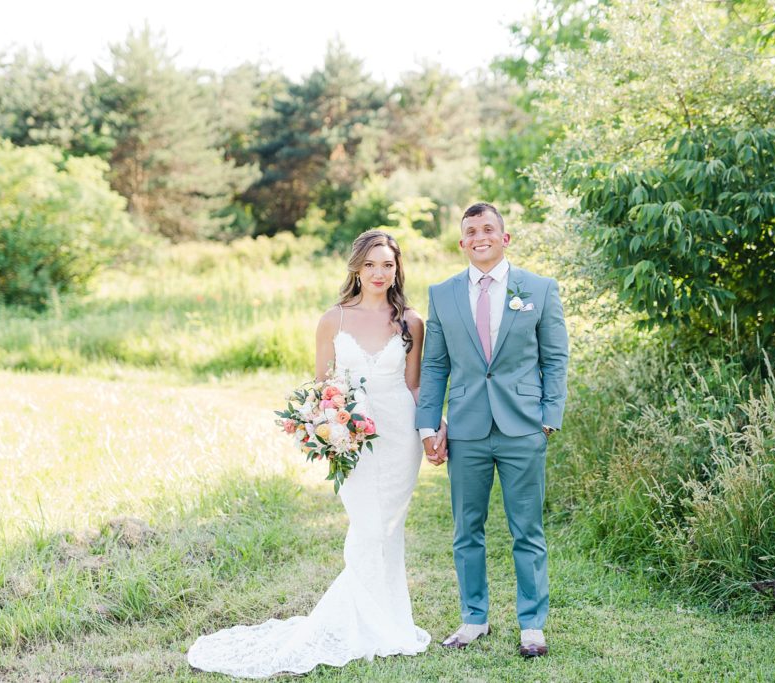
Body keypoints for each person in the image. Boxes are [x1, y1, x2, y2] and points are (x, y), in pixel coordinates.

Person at [187, 230, 435, 677]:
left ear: (397, 269)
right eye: (371, 264)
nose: (379, 273)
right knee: (367, 527)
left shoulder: (411, 322)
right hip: (353, 437)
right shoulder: (332, 320)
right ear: (356, 268)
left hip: (400, 436)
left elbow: (414, 385)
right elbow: (322, 387)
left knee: (389, 530)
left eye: (388, 265)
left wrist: (432, 430)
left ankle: (388, 622)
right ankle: (353, 621)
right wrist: (327, 429)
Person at [416, 202, 569, 658]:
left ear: (504, 238)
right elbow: (435, 365)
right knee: (467, 529)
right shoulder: (442, 294)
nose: (479, 236)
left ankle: (532, 626)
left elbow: (555, 357)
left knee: (528, 529)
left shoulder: (539, 288)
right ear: (461, 242)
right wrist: (428, 425)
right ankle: (474, 618)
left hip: (524, 426)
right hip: (466, 428)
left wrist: (549, 416)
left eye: (488, 229)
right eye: (471, 231)